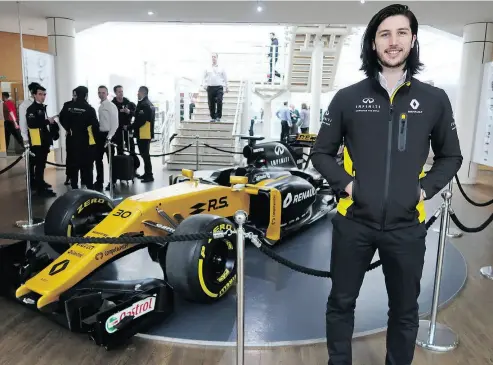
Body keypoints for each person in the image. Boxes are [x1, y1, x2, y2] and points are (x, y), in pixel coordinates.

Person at [310, 4, 463, 365]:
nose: (393, 42)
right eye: (385, 34)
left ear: (412, 41)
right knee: (341, 304)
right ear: (373, 43)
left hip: (407, 227)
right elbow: (321, 153)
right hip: (353, 223)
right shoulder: (347, 98)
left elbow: (450, 157)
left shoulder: (434, 100)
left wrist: (421, 191)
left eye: (401, 33)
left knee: (405, 311)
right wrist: (349, 187)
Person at [59, 86, 99, 190]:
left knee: (73, 164)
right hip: (86, 141)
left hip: (71, 139)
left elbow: (61, 118)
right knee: (87, 165)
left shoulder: (68, 107)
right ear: (86, 95)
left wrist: (68, 128)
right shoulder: (90, 109)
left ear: (76, 94)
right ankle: (89, 187)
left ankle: (74, 187)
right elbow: (95, 126)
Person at [25, 84, 57, 197]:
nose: (43, 96)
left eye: (44, 94)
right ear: (34, 95)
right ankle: (40, 189)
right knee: (38, 165)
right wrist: (47, 121)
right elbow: (32, 124)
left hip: (44, 141)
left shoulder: (43, 108)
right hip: (37, 142)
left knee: (41, 165)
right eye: (40, 94)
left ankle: (41, 184)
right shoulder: (31, 109)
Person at [95, 85, 118, 191]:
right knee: (98, 159)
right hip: (100, 135)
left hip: (109, 135)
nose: (101, 94)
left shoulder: (111, 106)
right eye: (99, 92)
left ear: (107, 94)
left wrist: (109, 137)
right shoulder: (100, 106)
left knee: (111, 161)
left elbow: (115, 124)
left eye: (103, 93)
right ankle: (99, 181)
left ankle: (112, 182)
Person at [131, 86, 155, 182]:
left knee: (145, 155)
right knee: (145, 155)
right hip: (146, 133)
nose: (137, 94)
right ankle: (147, 173)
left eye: (138, 92)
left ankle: (149, 175)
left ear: (142, 92)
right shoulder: (147, 104)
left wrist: (130, 127)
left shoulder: (144, 104)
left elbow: (141, 121)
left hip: (143, 133)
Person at [202, 53, 229, 122]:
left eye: (214, 57)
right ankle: (213, 117)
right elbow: (203, 77)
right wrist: (204, 85)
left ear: (217, 58)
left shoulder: (221, 68)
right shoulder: (207, 68)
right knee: (211, 103)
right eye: (212, 57)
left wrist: (227, 87)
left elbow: (225, 78)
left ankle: (218, 116)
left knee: (219, 101)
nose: (213, 58)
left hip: (219, 87)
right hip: (210, 87)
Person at [111, 85, 136, 155]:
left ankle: (133, 163)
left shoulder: (128, 102)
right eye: (119, 92)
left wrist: (129, 112)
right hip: (118, 129)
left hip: (128, 128)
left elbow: (135, 114)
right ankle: (121, 164)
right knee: (119, 148)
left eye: (122, 91)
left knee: (131, 147)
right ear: (115, 93)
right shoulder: (112, 104)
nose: (121, 93)